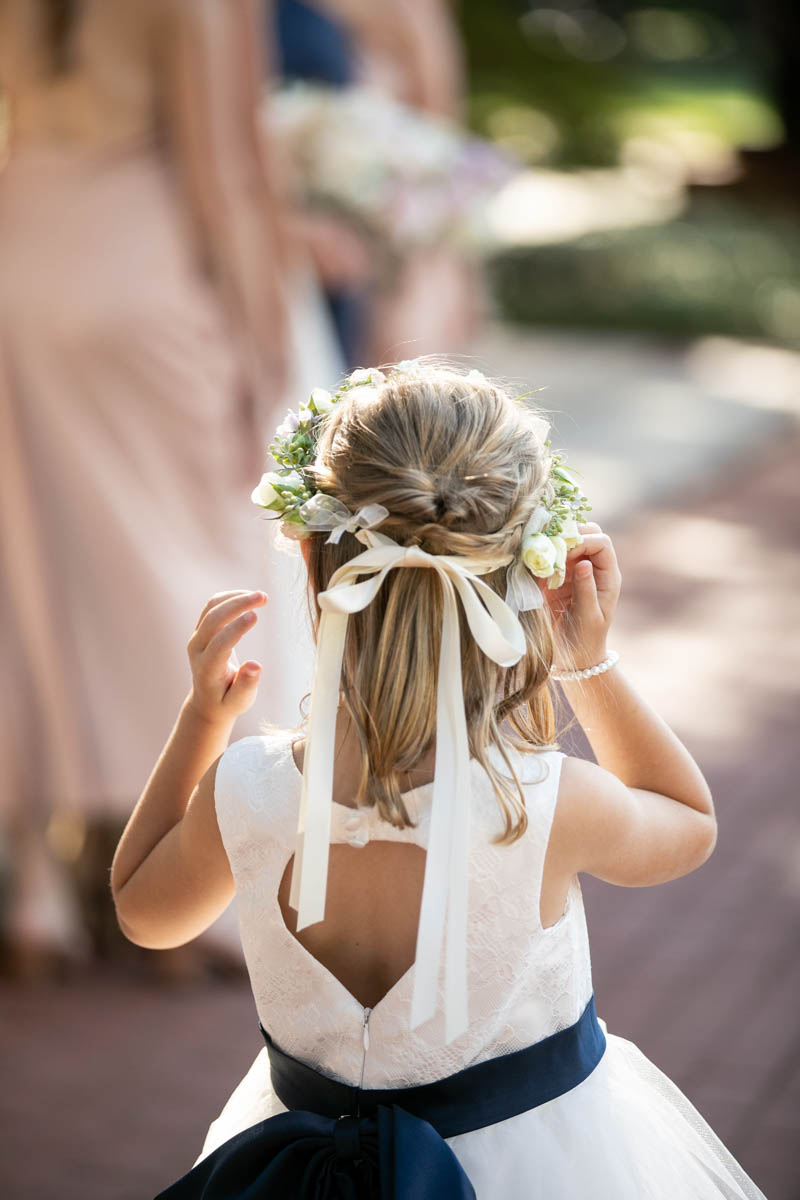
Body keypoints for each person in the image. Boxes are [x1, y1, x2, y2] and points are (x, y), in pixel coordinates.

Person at [112, 362, 765, 1198]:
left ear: (311, 560)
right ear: (528, 574)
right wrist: (587, 660)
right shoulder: (547, 803)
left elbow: (143, 913)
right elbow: (687, 822)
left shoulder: (247, 789)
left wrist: (202, 720)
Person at [0, 0, 320, 973]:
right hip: (141, 275)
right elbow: (222, 175)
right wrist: (268, 352)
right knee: (191, 571)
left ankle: (37, 898)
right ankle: (198, 904)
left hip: (22, 258)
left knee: (35, 580)